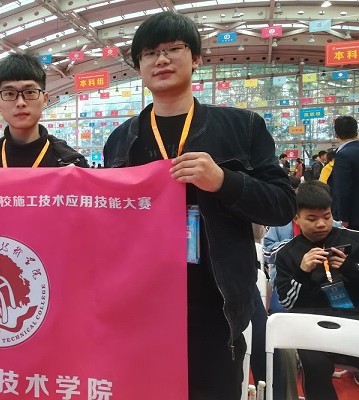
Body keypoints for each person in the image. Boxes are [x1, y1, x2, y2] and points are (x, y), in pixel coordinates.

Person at [102, 11, 296, 399]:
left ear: (196, 59)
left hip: (213, 305)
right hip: (142, 304)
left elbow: (281, 206)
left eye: (173, 49)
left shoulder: (242, 127)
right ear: (139, 67)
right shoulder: (121, 140)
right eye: (149, 53)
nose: (161, 60)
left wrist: (224, 181)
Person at [275, 181, 359, 399]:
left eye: (327, 216)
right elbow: (287, 303)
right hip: (313, 327)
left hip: (355, 320)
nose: (321, 224)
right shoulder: (287, 254)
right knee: (314, 366)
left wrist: (350, 268)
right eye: (312, 219)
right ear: (296, 219)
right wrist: (302, 272)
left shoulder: (354, 240)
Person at [0, 53, 88, 168]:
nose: (20, 102)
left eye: (30, 92)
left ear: (44, 99)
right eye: (9, 94)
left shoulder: (72, 163)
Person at [331, 116, 359, 230]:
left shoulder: (343, 155)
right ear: (356, 132)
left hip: (353, 217)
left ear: (336, 134)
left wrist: (343, 217)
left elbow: (342, 189)